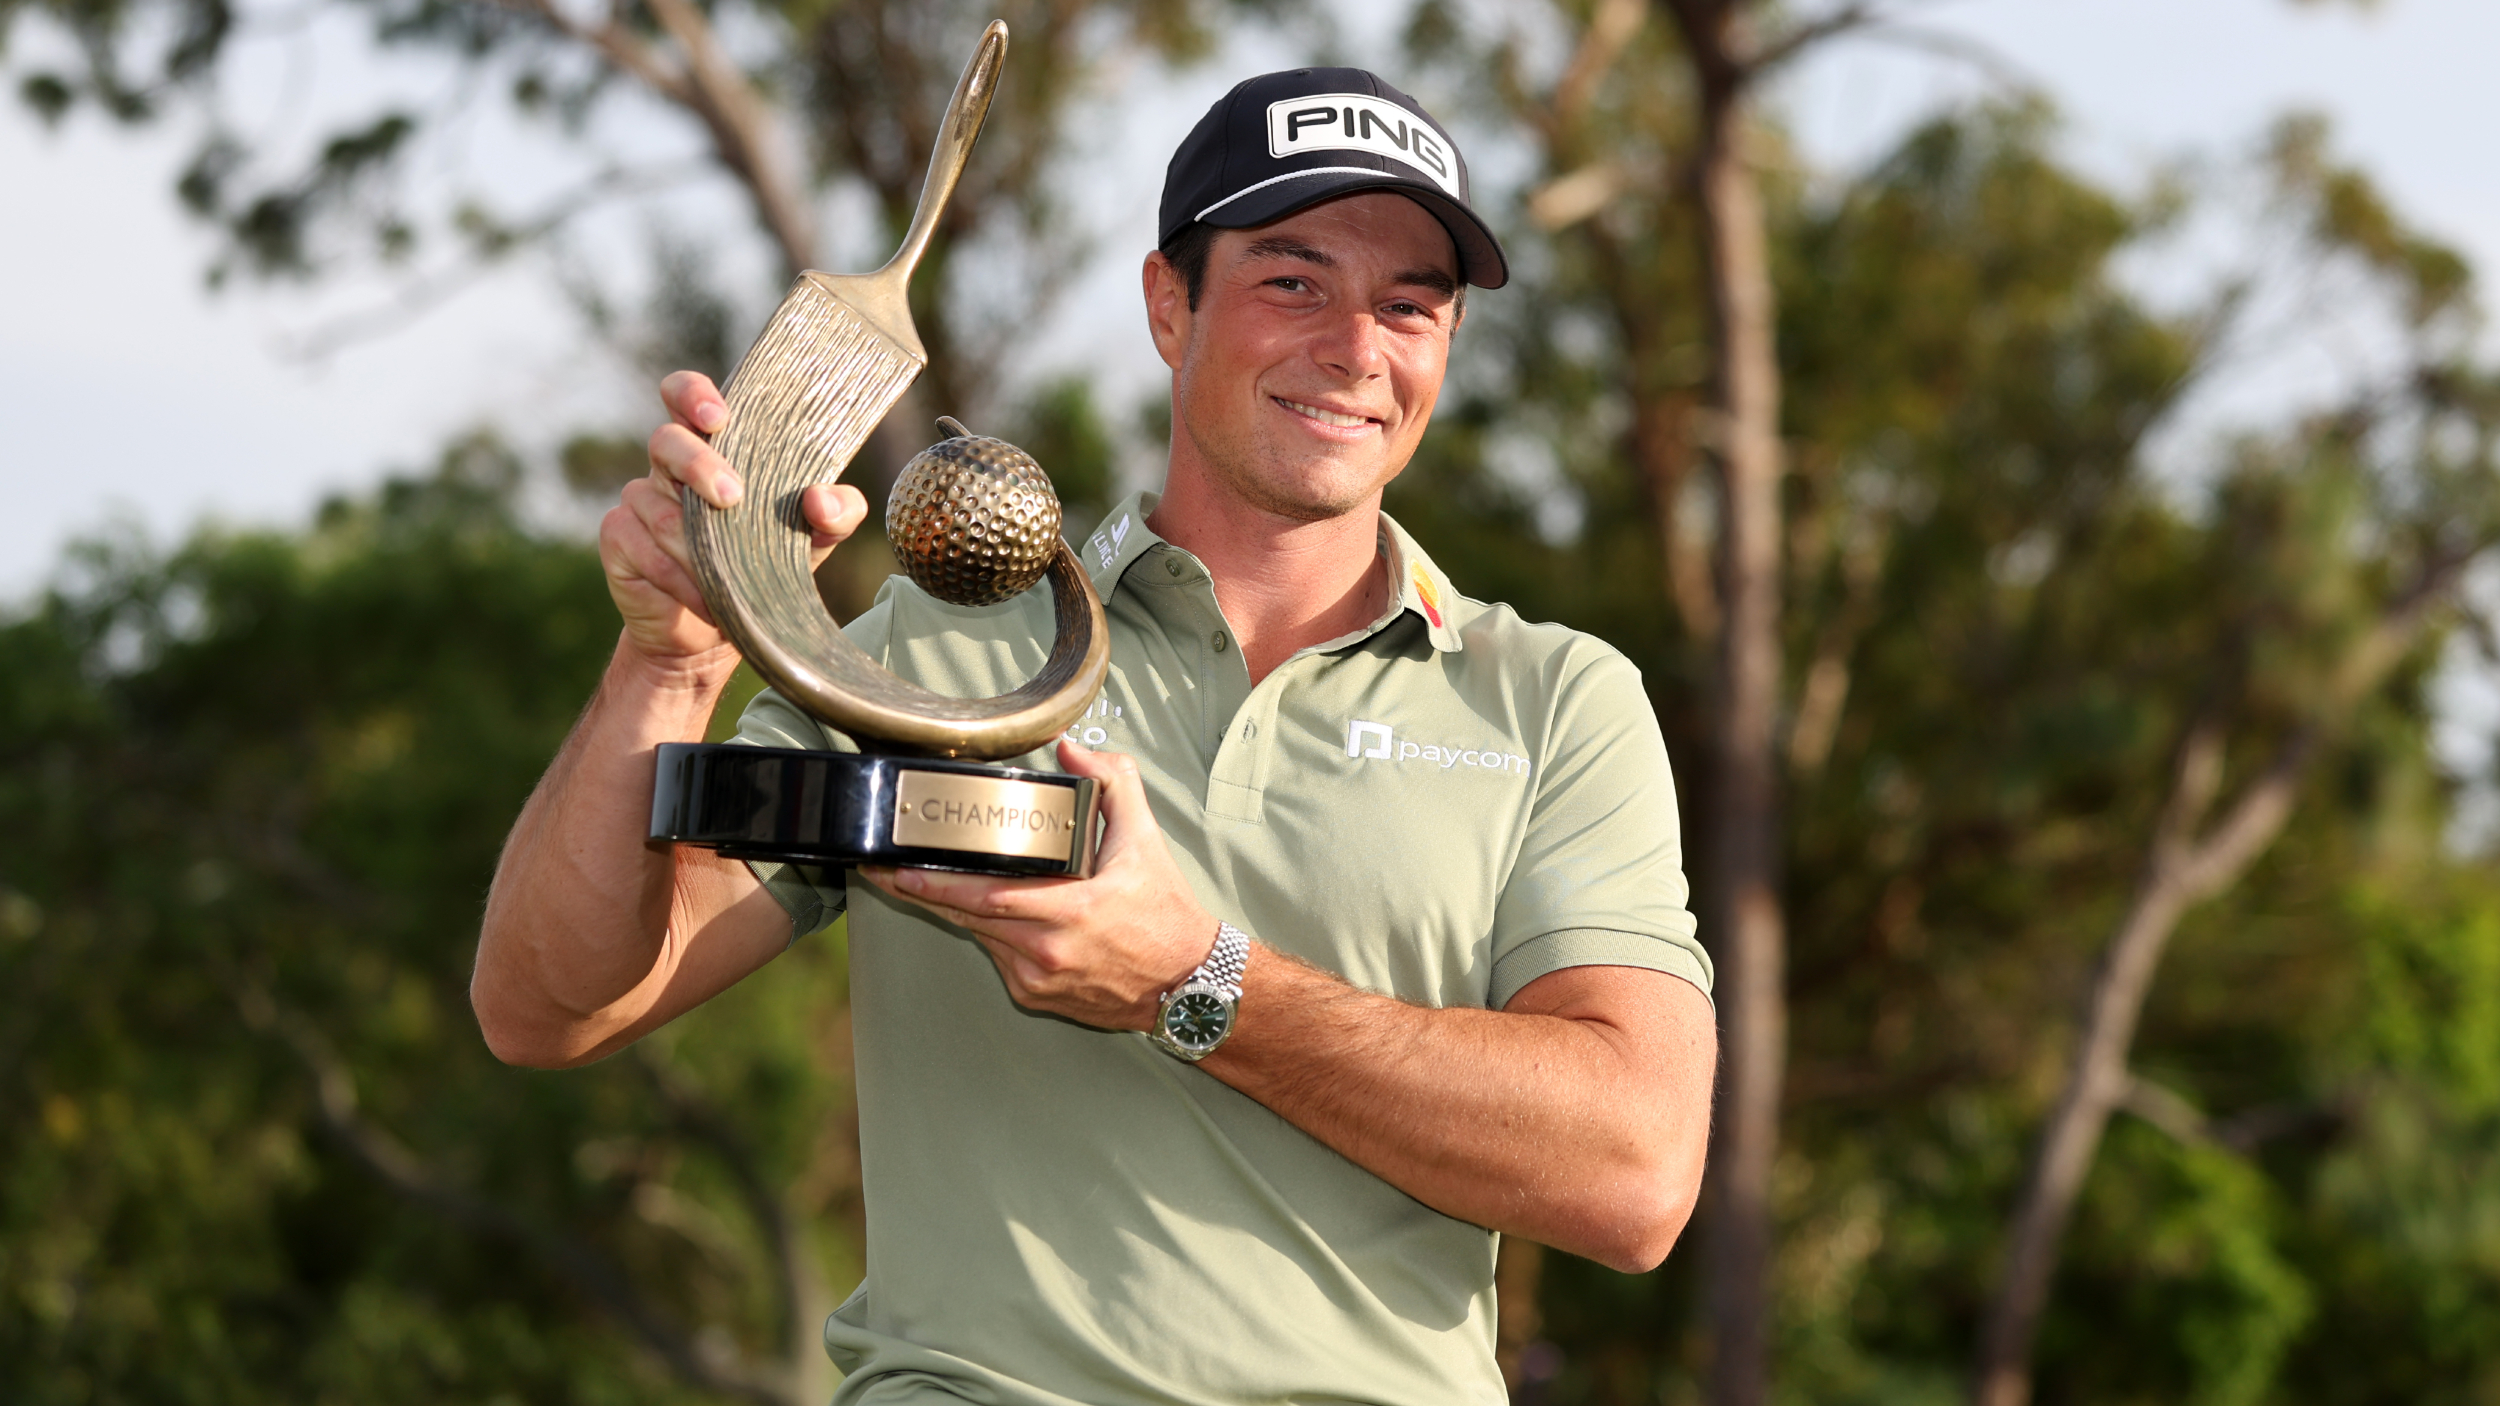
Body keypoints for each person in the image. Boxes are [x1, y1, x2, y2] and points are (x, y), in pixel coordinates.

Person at [476, 66, 1716, 1405]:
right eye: (1293, 282)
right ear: (1167, 304)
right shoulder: (932, 648)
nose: (1357, 348)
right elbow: (549, 1003)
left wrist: (1199, 978)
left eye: (1409, 304)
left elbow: (1636, 1168)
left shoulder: (1552, 698)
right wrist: (668, 660)